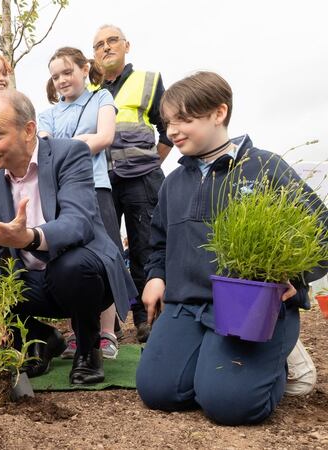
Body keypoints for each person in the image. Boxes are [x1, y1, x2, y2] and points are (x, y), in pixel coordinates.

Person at [136, 71, 328, 425]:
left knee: (229, 405)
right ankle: (214, 365)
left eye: (184, 119)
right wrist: (156, 276)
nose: (172, 131)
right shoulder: (173, 182)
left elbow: (321, 230)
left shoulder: (265, 167)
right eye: (168, 123)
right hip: (186, 305)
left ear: (219, 113)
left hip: (248, 308)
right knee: (157, 391)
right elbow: (159, 243)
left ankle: (277, 361)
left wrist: (297, 278)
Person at [0, 90, 134, 384]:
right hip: (30, 282)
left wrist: (30, 238)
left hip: (81, 278)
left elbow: (79, 223)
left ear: (29, 130)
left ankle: (88, 348)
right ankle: (41, 339)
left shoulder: (70, 154)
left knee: (73, 266)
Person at [37, 47, 123, 359]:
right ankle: (78, 334)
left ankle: (107, 333)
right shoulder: (47, 113)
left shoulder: (102, 99)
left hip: (97, 188)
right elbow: (43, 149)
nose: (61, 80)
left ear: (84, 69)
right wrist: (82, 142)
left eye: (67, 72)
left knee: (105, 259)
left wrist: (67, 146)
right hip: (62, 195)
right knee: (72, 264)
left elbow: (104, 137)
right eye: (55, 76)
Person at [92, 24, 172, 343]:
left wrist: (152, 163)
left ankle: (147, 320)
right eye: (99, 44)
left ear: (127, 45)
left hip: (142, 181)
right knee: (107, 251)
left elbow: (168, 130)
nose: (106, 47)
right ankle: (107, 326)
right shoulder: (89, 89)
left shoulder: (148, 81)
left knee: (144, 249)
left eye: (112, 41)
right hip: (102, 184)